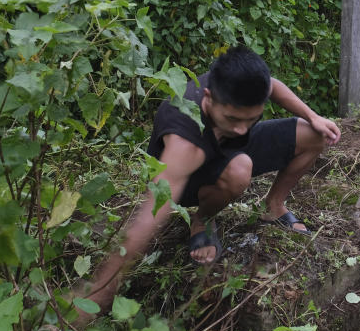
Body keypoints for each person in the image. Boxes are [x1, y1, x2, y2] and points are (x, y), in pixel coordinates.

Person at [82, 45, 340, 311]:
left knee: (315, 135)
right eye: (232, 118)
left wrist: (313, 116)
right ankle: (202, 220)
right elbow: (151, 213)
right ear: (208, 98)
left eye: (250, 119)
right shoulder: (184, 138)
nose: (242, 128)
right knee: (241, 168)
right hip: (190, 179)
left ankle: (273, 206)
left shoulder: (239, 87)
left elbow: (272, 85)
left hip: (231, 150)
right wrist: (101, 288)